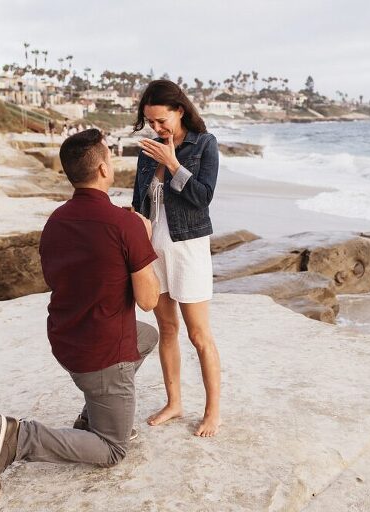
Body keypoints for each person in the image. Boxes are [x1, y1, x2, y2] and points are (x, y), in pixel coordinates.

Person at [0, 129, 161, 494]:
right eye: (108, 156)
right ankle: (22, 437)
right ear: (103, 169)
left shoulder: (56, 221)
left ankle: (95, 414)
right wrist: (143, 234)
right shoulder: (125, 225)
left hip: (67, 341)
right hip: (103, 355)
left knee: (148, 336)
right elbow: (149, 300)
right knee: (114, 448)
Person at [131, 80, 222, 437]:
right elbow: (141, 204)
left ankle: (213, 411)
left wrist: (172, 164)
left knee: (200, 335)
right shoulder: (147, 150)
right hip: (153, 250)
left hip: (188, 248)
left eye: (161, 120)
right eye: (150, 122)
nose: (156, 128)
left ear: (180, 110)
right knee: (167, 329)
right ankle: (174, 402)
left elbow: (203, 196)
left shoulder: (204, 144)